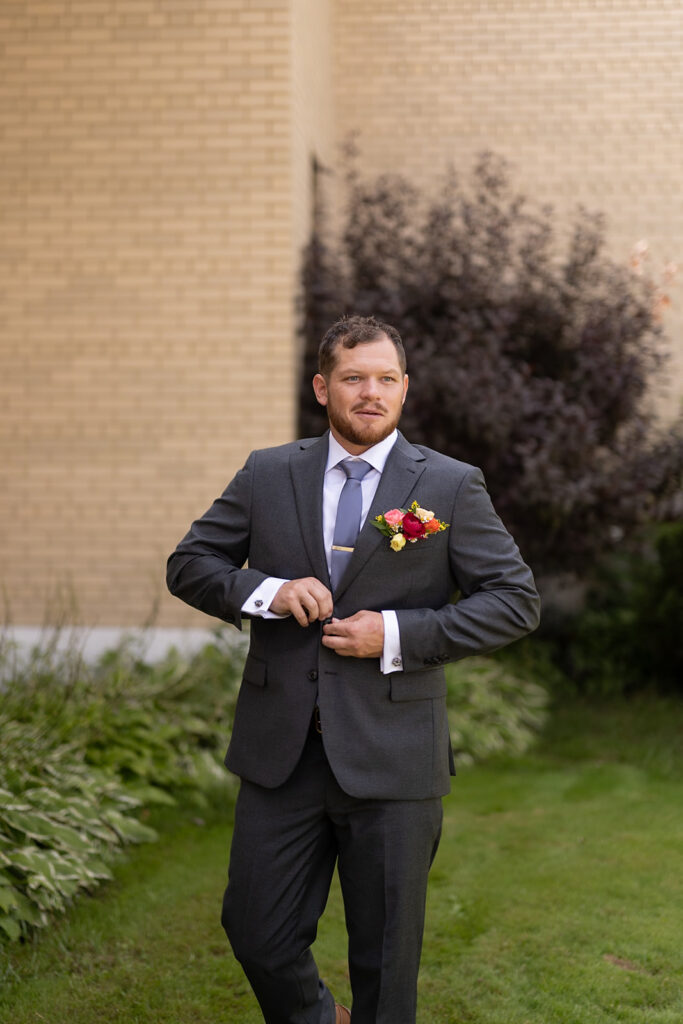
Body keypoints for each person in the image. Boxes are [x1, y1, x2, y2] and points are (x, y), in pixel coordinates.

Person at [166, 315, 540, 1024]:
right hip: (282, 754)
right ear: (321, 386)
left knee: (385, 962)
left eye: (386, 379)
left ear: (404, 387)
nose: (371, 392)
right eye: (353, 378)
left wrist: (395, 633)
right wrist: (268, 591)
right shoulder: (266, 472)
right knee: (256, 931)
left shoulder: (451, 485)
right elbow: (189, 565)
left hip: (394, 756)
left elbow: (514, 602)